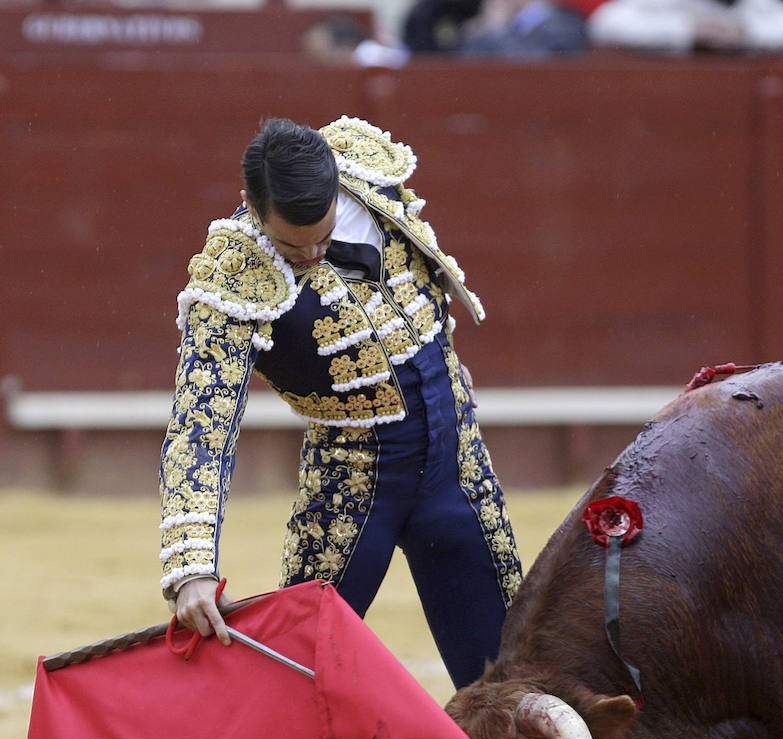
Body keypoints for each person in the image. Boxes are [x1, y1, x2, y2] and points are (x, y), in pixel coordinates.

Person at [159, 116, 522, 689]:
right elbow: (201, 425)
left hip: (457, 459)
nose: (312, 255)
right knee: (298, 674)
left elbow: (420, 280)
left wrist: (443, 362)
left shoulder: (368, 176)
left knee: (507, 673)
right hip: (353, 482)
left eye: (324, 237)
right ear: (253, 208)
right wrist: (190, 567)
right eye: (290, 244)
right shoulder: (231, 273)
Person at [587, 0, 783, 52]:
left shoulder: (753, 5)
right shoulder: (661, 4)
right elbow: (607, 22)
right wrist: (688, 30)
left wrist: (744, 32)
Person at [457, 0, 589, 56]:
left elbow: (531, 71)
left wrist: (499, 30)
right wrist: (478, 32)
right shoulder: (499, 19)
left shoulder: (564, 23)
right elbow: (464, 64)